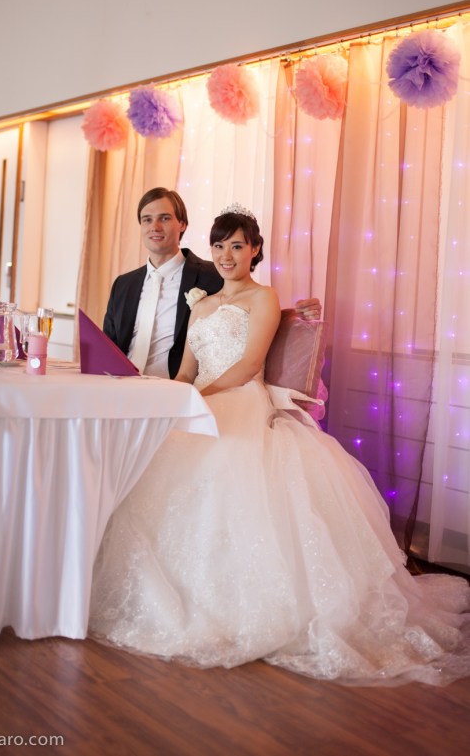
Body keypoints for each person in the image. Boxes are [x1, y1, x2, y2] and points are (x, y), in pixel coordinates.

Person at [89, 205, 470, 686]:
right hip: (198, 400)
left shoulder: (263, 297)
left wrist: (198, 398)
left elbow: (250, 365)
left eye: (237, 245)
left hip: (240, 399)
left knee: (225, 466)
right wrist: (172, 399)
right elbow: (185, 370)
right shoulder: (200, 305)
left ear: (255, 250)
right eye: (219, 246)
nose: (227, 255)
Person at [102, 187, 321, 379]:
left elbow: (246, 310)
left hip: (173, 385)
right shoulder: (123, 284)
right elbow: (108, 346)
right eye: (147, 219)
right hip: (122, 386)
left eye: (165, 218)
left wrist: (296, 314)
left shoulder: (215, 273)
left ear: (182, 224)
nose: (155, 227)